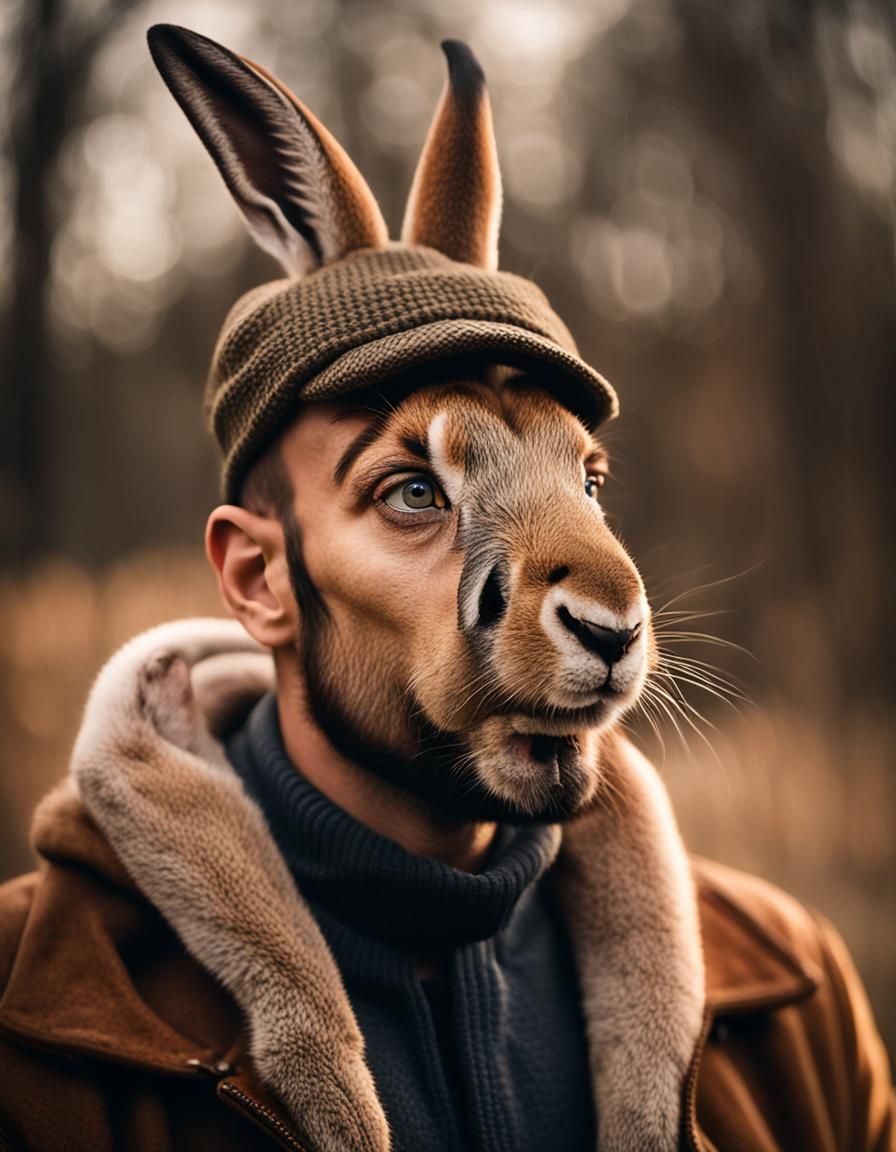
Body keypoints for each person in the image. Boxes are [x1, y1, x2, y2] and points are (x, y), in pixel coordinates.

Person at [0, 24, 891, 1152]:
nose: (606, 595)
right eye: (414, 491)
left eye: (583, 480)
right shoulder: (37, 1020)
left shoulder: (794, 1004)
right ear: (259, 577)